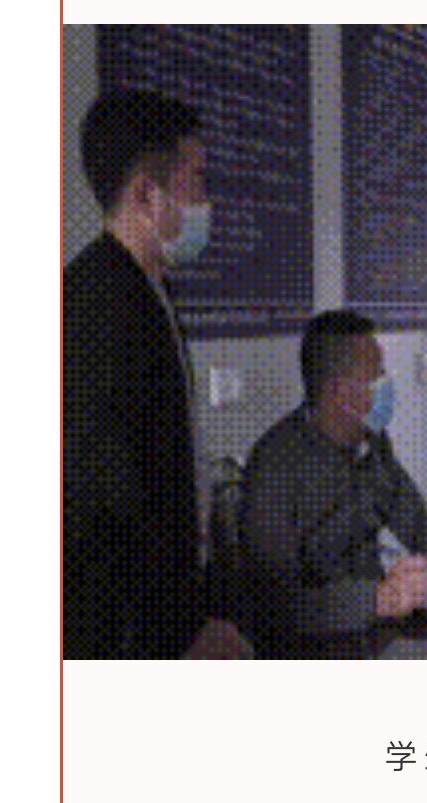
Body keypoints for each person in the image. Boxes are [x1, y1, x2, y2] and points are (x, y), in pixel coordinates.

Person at [64, 89, 251, 658]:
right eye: (197, 179)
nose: (207, 201)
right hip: (122, 632)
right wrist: (179, 630)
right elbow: (108, 502)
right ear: (148, 194)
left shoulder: (150, 289)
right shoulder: (94, 303)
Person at [239, 310, 427, 658]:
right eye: (377, 374)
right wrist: (377, 598)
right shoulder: (275, 464)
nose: (387, 384)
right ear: (340, 391)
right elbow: (276, 607)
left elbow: (421, 532)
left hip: (376, 637)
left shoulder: (372, 443)